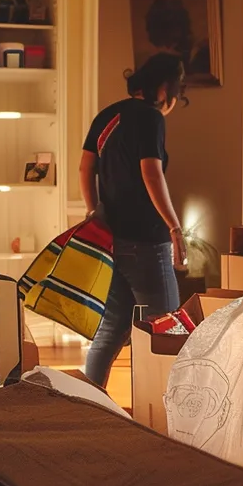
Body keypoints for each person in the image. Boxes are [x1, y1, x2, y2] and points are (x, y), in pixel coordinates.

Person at [76, 53, 190, 387]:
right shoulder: (151, 118)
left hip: (110, 238)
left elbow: (86, 167)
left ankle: (87, 403)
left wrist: (93, 211)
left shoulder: (107, 116)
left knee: (111, 329)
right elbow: (151, 173)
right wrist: (174, 228)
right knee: (167, 327)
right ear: (166, 89)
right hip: (146, 241)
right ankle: (166, 409)